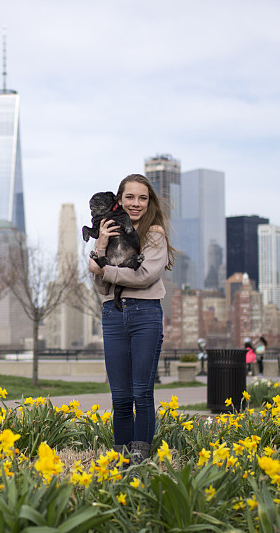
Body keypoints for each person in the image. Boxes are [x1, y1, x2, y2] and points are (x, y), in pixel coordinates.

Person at [88, 173, 176, 461]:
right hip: (112, 315)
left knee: (142, 393)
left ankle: (140, 461)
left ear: (149, 201)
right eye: (129, 197)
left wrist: (103, 269)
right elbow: (101, 286)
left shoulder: (154, 234)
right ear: (119, 199)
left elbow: (144, 276)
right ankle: (122, 461)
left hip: (145, 315)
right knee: (121, 397)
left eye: (142, 197)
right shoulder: (108, 232)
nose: (135, 203)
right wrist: (100, 244)